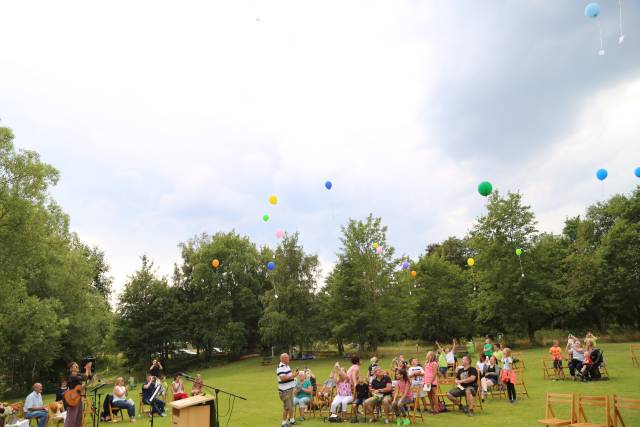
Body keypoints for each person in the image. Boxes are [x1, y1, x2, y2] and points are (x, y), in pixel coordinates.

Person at [64, 360, 92, 427]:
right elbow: (85, 377)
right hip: (72, 399)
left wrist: (89, 369)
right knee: (72, 417)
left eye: (77, 366)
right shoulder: (72, 376)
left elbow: (89, 377)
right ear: (71, 369)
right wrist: (87, 369)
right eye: (75, 366)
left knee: (79, 416)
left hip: (78, 398)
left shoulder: (78, 374)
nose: (77, 367)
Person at [277, 353, 297, 427]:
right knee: (287, 407)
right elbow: (283, 378)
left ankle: (292, 421)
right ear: (283, 359)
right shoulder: (280, 367)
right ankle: (283, 423)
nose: (289, 359)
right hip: (285, 391)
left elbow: (289, 377)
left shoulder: (287, 366)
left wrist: (294, 376)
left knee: (291, 406)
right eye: (287, 358)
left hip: (289, 389)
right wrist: (293, 375)